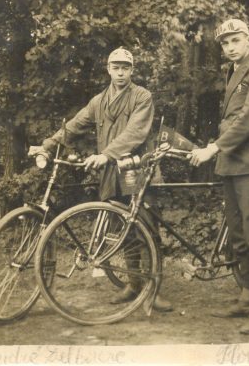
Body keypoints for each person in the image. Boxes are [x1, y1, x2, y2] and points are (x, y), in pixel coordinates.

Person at [42, 47, 173, 312]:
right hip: (111, 173)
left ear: (132, 70)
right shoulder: (98, 101)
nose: (121, 72)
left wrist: (107, 154)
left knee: (146, 229)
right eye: (116, 67)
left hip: (138, 170)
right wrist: (47, 144)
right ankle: (134, 283)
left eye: (125, 67)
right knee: (122, 230)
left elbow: (136, 132)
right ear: (108, 69)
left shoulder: (141, 97)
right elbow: (75, 126)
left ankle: (153, 289)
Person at [189, 19, 249, 334]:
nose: (230, 48)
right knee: (238, 236)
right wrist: (218, 150)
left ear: (248, 39)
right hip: (231, 165)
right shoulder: (232, 72)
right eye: (225, 43)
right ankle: (247, 296)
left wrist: (214, 147)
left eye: (235, 40)